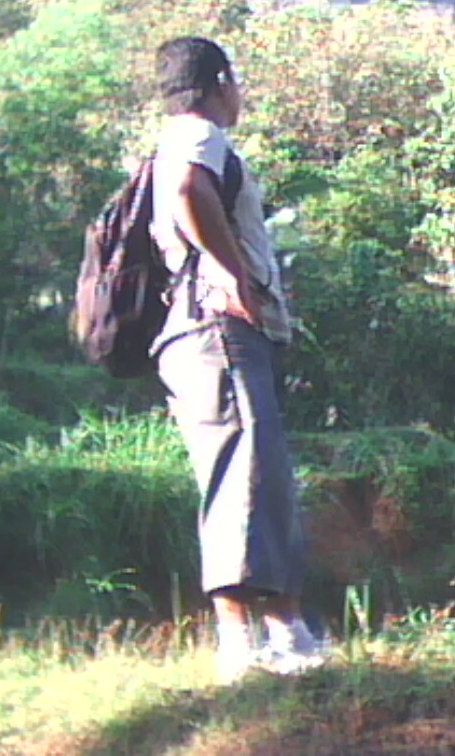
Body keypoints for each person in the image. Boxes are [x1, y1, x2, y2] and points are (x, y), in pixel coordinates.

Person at [149, 36, 323, 684]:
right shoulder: (198, 136)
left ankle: (274, 634)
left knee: (252, 469)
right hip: (217, 328)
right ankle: (259, 642)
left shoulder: (178, 138)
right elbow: (190, 189)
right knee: (246, 469)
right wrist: (233, 276)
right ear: (221, 81)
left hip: (203, 332)